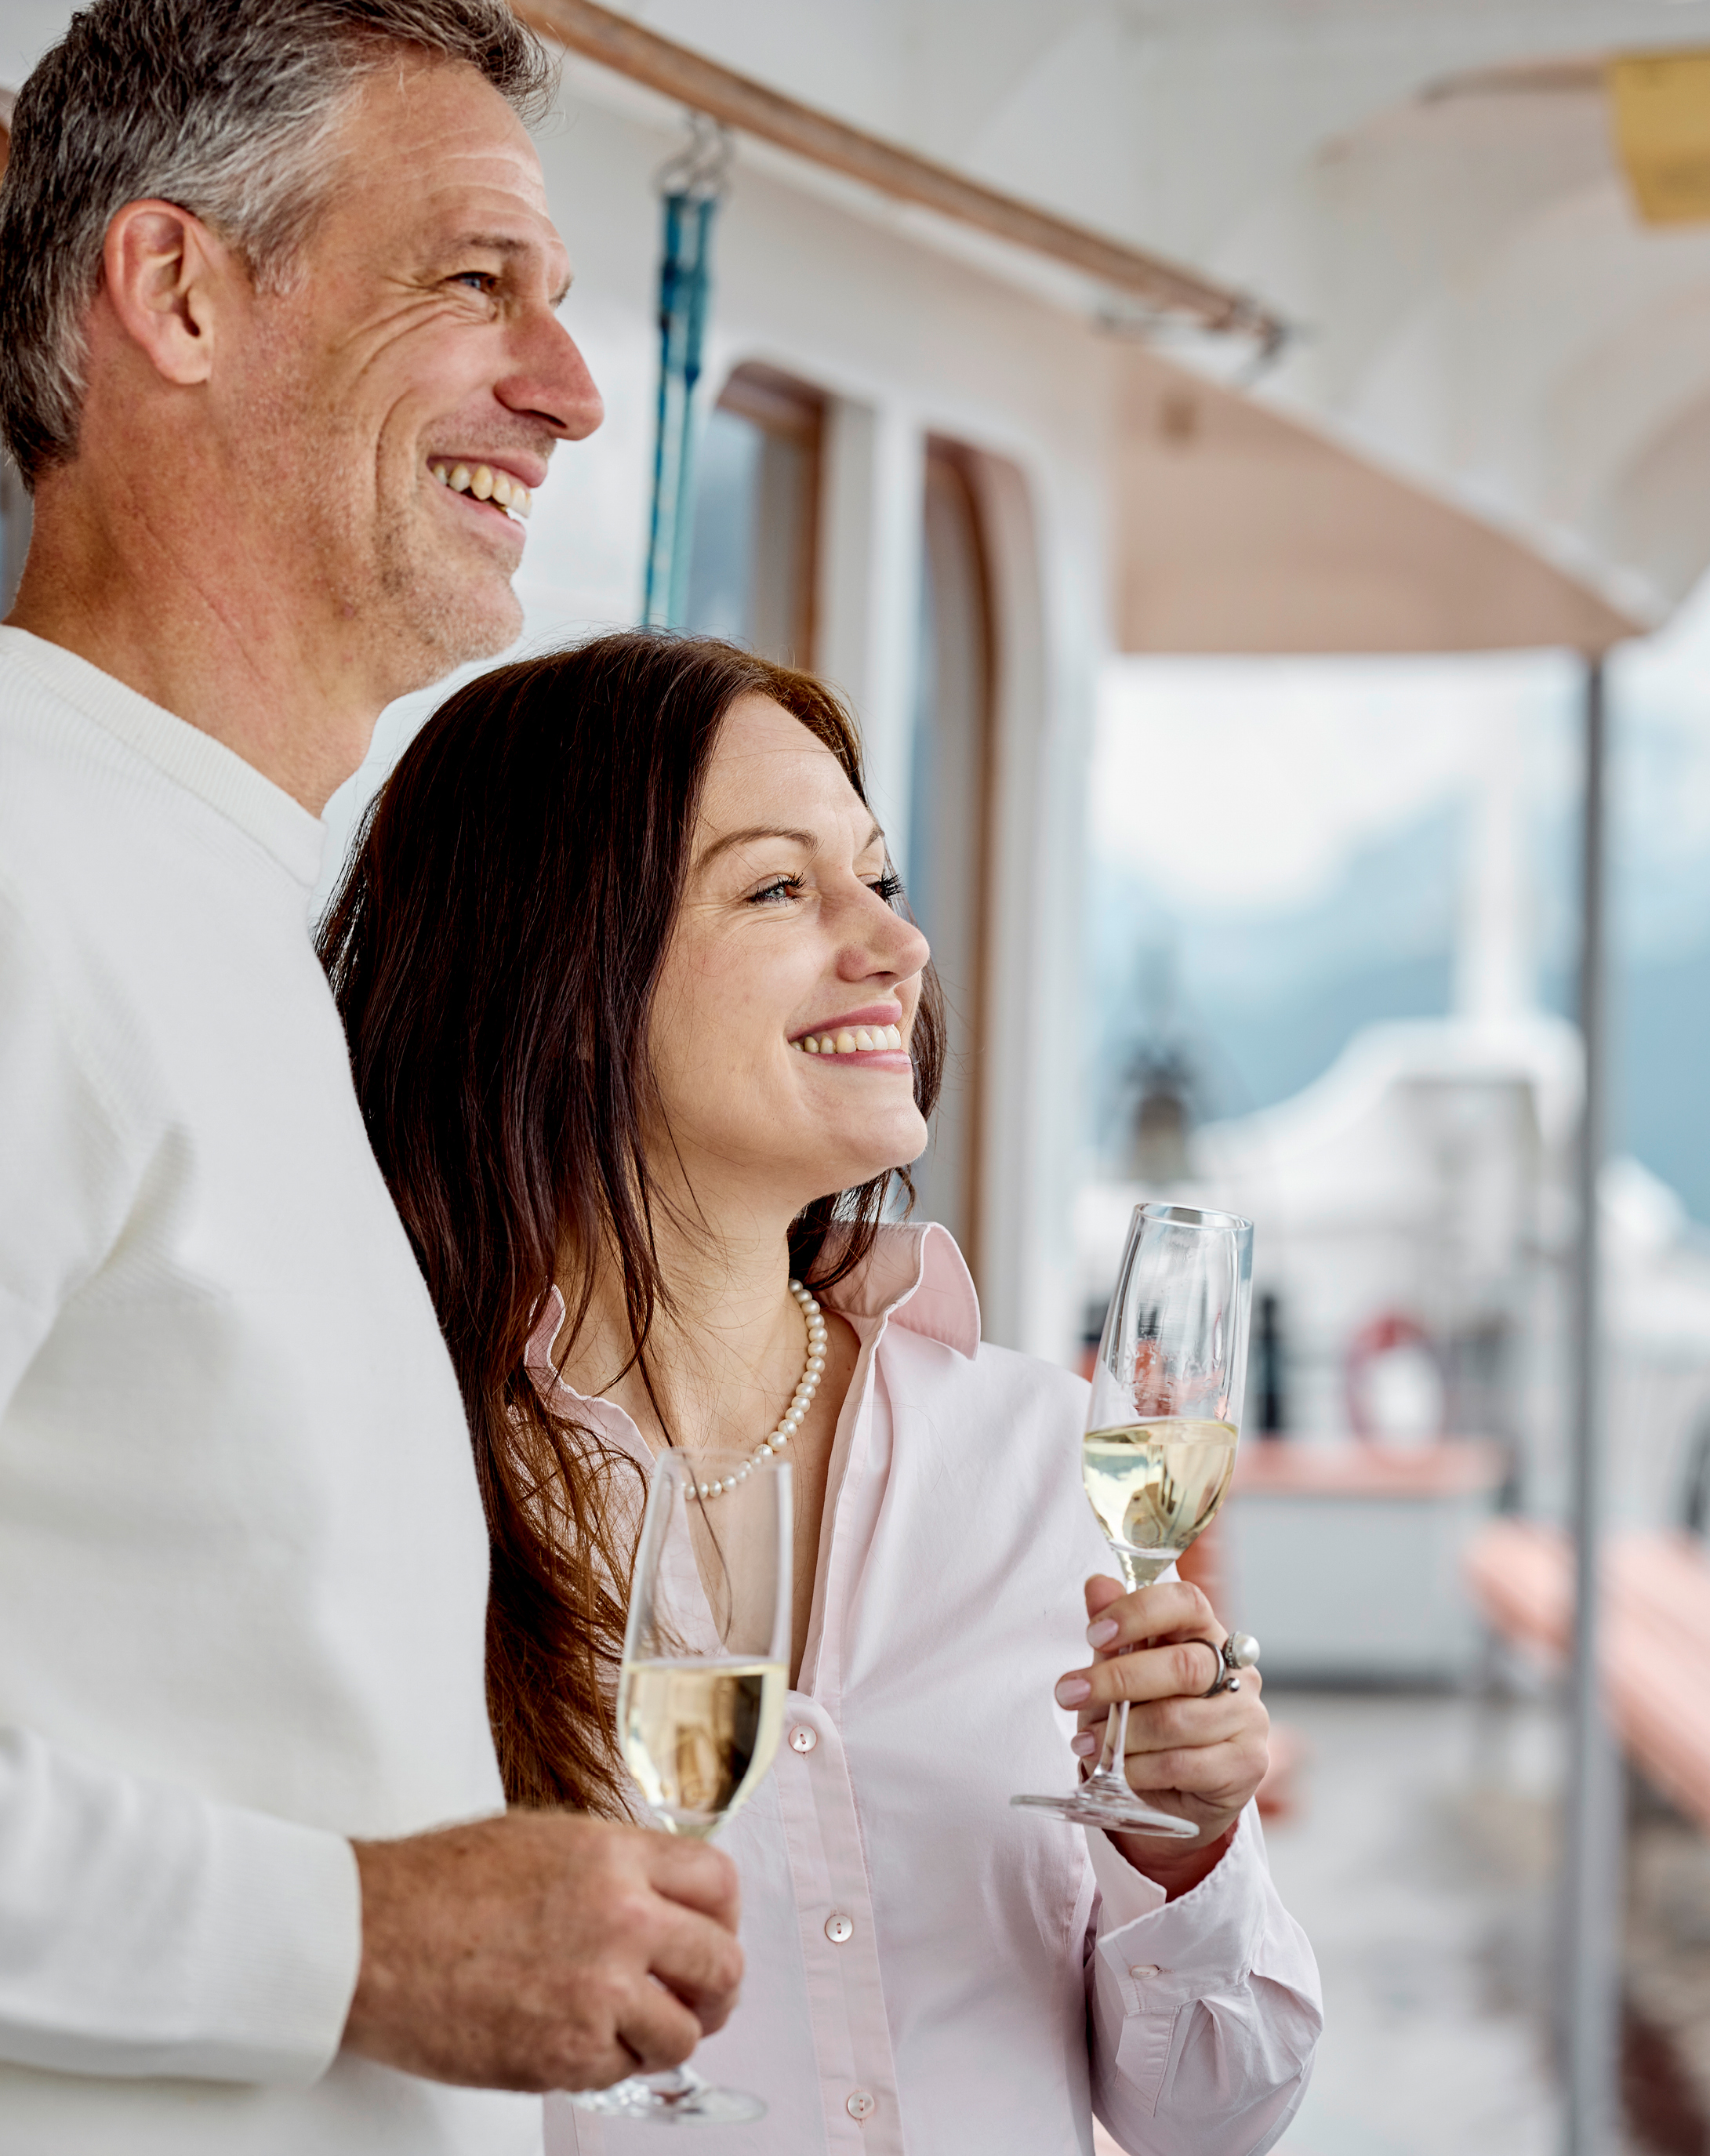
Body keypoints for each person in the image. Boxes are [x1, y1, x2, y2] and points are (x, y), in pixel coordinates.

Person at [0, 6, 743, 2150]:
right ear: (176, 292)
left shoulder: (222, 899)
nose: (573, 388)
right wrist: (356, 1942)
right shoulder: (30, 872)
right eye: (474, 279)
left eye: (561, 301)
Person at [321, 632, 1324, 2154]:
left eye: (881, 880)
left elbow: (1217, 2116)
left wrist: (1184, 1855)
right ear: (563, 981)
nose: (897, 944)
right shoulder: (393, 1472)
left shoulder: (1040, 1459)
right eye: (780, 889)